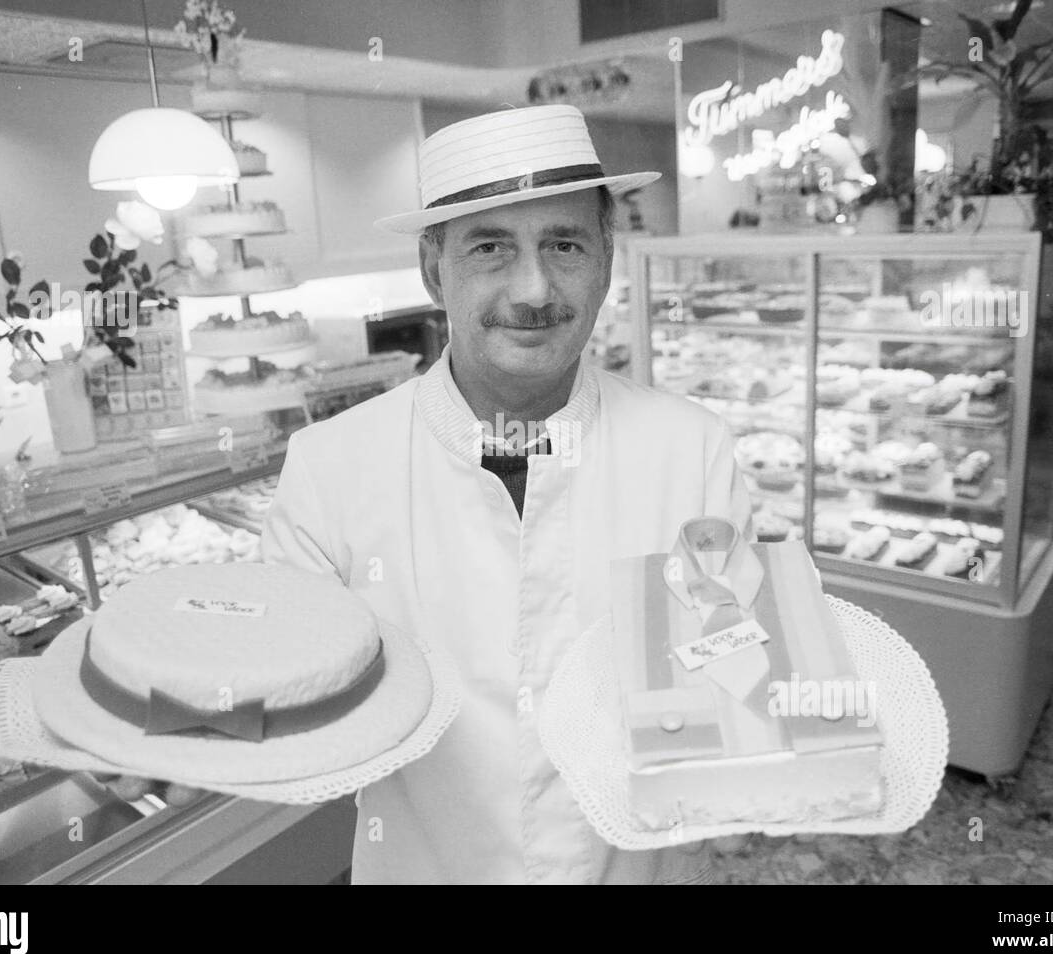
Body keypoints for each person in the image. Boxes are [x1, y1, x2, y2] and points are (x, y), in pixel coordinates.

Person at [109, 105, 753, 883]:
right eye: (490, 247)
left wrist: (779, 725)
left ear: (608, 258)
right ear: (431, 267)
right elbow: (271, 683)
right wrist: (180, 720)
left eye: (566, 243)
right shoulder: (332, 470)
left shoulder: (689, 448)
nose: (534, 288)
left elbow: (736, 670)